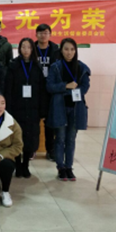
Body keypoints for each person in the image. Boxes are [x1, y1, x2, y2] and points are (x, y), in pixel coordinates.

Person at [47, 38, 91, 182]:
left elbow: (85, 87)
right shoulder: (55, 67)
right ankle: (60, 167)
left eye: (72, 49)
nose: (69, 52)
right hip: (59, 108)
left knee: (71, 139)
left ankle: (69, 167)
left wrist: (72, 91)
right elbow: (50, 86)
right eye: (66, 49)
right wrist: (66, 86)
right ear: (61, 50)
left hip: (75, 108)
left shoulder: (81, 67)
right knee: (60, 138)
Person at [5, 38, 45, 178]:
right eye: (23, 47)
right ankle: (17, 164)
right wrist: (8, 109)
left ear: (32, 49)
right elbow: (8, 89)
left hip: (33, 108)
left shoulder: (37, 66)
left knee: (30, 137)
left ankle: (26, 164)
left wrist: (42, 110)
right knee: (16, 137)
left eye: (29, 47)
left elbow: (42, 90)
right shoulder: (13, 66)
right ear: (19, 49)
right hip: (17, 107)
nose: (26, 50)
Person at [34, 23, 60, 161]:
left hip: (51, 90)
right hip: (34, 89)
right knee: (33, 120)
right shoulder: (31, 48)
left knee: (50, 122)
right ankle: (32, 149)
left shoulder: (56, 50)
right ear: (36, 34)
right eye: (40, 33)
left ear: (50, 34)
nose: (43, 35)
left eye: (45, 33)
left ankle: (51, 150)